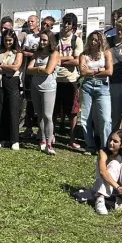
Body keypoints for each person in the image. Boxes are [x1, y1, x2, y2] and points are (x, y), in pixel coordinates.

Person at [78, 130, 122, 215]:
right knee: (114, 164)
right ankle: (100, 199)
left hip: (121, 189)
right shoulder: (103, 152)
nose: (111, 143)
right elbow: (103, 172)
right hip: (102, 186)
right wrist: (118, 187)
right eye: (110, 139)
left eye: (115, 141)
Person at [78, 30, 113, 153]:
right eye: (91, 39)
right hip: (87, 86)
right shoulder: (84, 55)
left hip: (103, 87)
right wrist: (99, 70)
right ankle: (90, 146)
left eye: (96, 40)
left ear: (100, 41)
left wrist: (91, 71)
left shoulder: (106, 53)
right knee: (85, 118)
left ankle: (106, 147)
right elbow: (82, 72)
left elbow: (109, 71)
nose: (93, 42)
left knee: (106, 118)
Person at [26, 30, 61, 154]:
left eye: (45, 40)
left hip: (49, 87)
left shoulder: (55, 53)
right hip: (35, 86)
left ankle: (49, 143)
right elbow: (28, 70)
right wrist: (40, 68)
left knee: (47, 116)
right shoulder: (37, 53)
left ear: (50, 41)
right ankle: (43, 140)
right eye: (41, 39)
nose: (42, 42)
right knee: (39, 115)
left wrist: (38, 69)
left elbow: (48, 70)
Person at [0, 29, 24, 150]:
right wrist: (6, 68)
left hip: (13, 82)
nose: (8, 43)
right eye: (5, 40)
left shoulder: (18, 52)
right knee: (0, 110)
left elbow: (16, 67)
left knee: (13, 110)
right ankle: (1, 138)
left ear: (14, 40)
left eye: (10, 40)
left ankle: (14, 139)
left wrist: (3, 66)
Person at [54, 13, 83, 149]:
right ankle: (51, 136)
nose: (66, 25)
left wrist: (59, 60)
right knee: (54, 110)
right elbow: (50, 57)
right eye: (64, 22)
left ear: (73, 26)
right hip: (55, 79)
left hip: (70, 80)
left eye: (69, 23)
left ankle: (71, 138)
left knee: (72, 112)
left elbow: (77, 60)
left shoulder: (76, 40)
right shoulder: (55, 38)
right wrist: (68, 58)